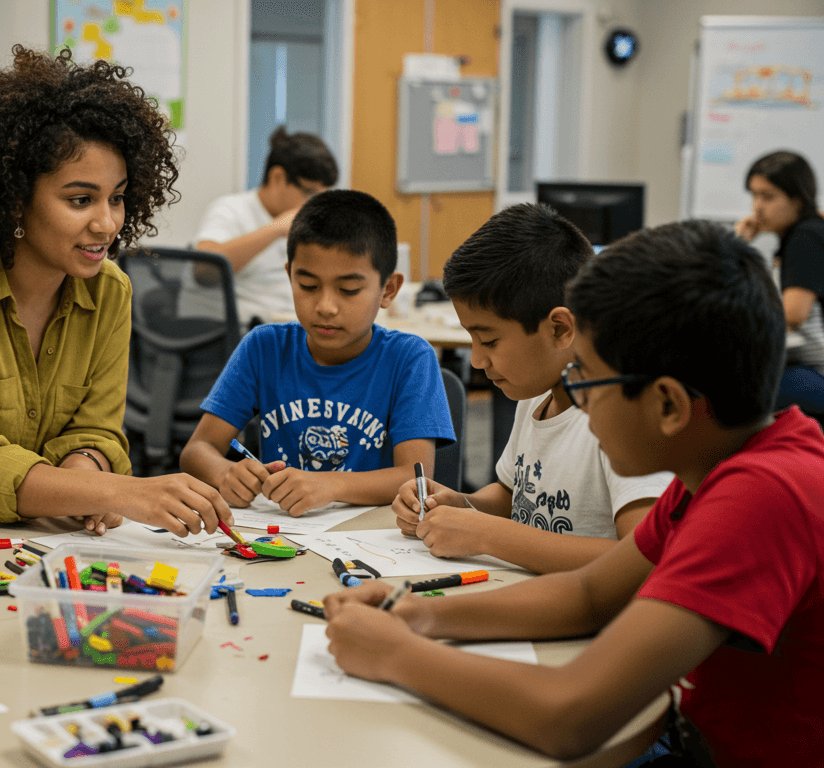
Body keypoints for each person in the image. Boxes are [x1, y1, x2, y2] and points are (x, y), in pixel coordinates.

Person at [323, 220, 824, 765]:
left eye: (586, 379)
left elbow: (568, 716)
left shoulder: (762, 496)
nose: (578, 403)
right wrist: (415, 614)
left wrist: (399, 656)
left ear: (669, 407)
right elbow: (588, 594)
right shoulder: (715, 468)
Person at [0, 46, 231, 536]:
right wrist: (112, 491)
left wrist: (84, 473)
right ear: (14, 200)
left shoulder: (110, 291)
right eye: (80, 199)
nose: (107, 222)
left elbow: (96, 428)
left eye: (117, 198)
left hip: (37, 515)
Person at [389, 204, 671, 574]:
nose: (476, 360)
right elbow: (512, 496)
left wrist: (489, 536)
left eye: (488, 341)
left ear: (558, 329)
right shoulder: (538, 391)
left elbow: (642, 560)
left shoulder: (624, 417)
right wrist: (456, 505)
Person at [179, 190, 454, 515]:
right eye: (307, 286)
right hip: (284, 535)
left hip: (372, 540)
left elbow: (416, 478)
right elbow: (198, 449)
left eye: (348, 290)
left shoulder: (409, 359)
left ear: (388, 289)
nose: (325, 307)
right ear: (289, 276)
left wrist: (330, 484)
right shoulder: (263, 348)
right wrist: (224, 473)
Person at [194, 126, 339, 326]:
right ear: (277, 177)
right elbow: (204, 271)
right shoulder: (231, 209)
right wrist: (276, 229)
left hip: (289, 328)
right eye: (309, 192)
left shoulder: (309, 224)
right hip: (233, 334)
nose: (315, 204)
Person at [735, 150, 824, 415]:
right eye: (754, 195)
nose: (757, 207)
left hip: (815, 370)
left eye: (768, 196)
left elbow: (793, 314)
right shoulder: (805, 233)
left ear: (797, 200)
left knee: (744, 393)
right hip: (811, 367)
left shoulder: (805, 236)